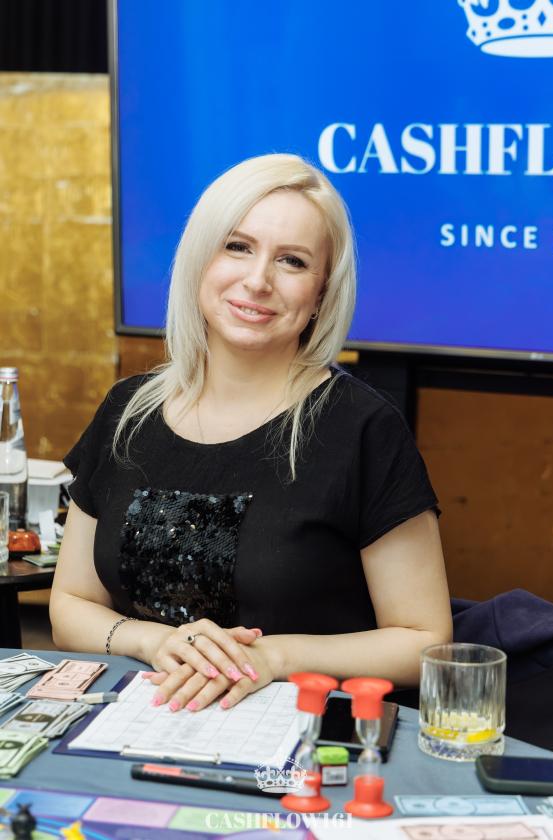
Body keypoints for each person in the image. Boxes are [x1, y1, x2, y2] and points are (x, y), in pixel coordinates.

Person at [50, 153, 452, 714]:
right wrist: (156, 641)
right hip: (139, 720)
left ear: (321, 293)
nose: (258, 280)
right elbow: (70, 604)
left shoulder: (363, 428)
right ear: (199, 258)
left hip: (300, 734)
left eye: (292, 261)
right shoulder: (127, 412)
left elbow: (425, 642)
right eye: (237, 247)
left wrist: (272, 657)